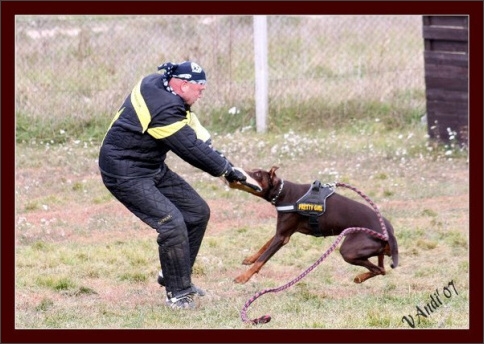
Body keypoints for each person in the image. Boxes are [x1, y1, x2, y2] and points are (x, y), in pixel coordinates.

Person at [98, 61, 247, 310]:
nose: (202, 93)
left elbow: (194, 131)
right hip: (124, 172)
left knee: (197, 213)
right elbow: (189, 148)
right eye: (200, 88)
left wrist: (223, 162)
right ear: (184, 84)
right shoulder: (163, 110)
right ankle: (177, 294)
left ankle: (176, 276)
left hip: (151, 167)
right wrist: (225, 170)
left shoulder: (156, 83)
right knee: (172, 223)